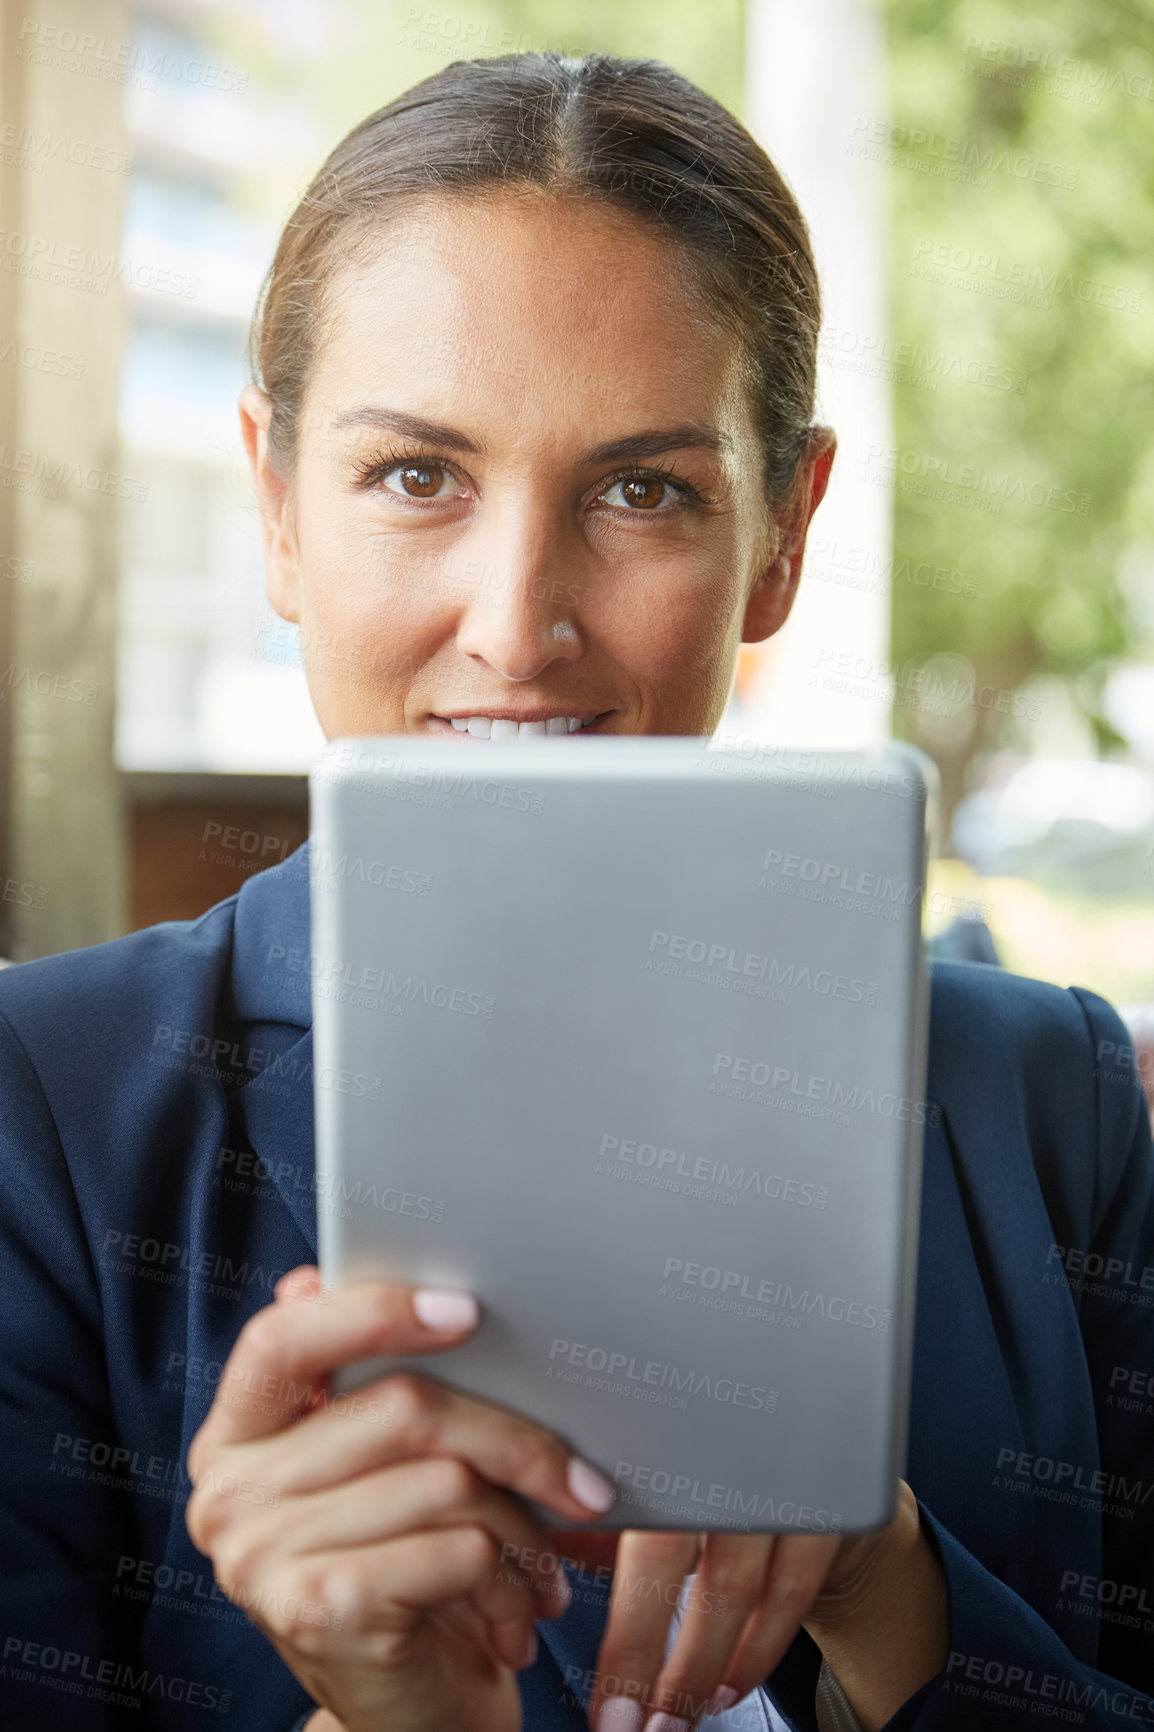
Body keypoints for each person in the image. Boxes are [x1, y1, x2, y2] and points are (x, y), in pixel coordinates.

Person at [0, 49, 1150, 1732]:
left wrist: (887, 1589)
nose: (516, 620)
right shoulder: (43, 1112)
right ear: (274, 505)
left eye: (640, 490)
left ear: (781, 537)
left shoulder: (1046, 1104)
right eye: (414, 476)